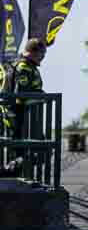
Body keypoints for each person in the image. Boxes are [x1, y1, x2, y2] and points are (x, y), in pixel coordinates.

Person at [0, 38, 46, 176]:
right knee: (38, 151)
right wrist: (40, 96)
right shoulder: (24, 67)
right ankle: (8, 173)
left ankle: (12, 174)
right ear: (34, 52)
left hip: (22, 116)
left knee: (30, 150)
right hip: (21, 117)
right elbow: (21, 95)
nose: (43, 58)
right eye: (42, 54)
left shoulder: (23, 65)